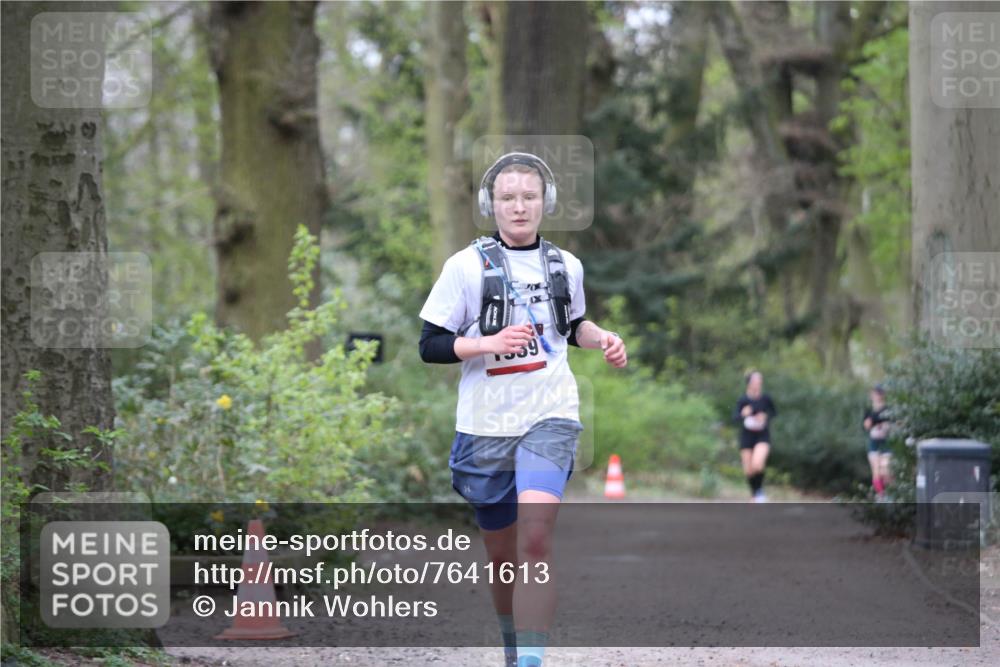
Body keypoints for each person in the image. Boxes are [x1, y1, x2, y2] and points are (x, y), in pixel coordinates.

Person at [419, 152, 627, 667]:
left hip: (550, 411)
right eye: (507, 197)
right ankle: (515, 651)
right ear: (491, 204)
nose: (518, 207)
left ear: (545, 203)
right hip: (485, 424)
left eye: (529, 197)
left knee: (536, 536)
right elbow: (430, 344)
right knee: (502, 557)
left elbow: (572, 326)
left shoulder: (566, 265)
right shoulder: (464, 267)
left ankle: (532, 663)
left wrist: (602, 338)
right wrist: (486, 343)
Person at [734, 370, 776, 502]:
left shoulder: (766, 398)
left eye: (760, 380)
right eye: (756, 380)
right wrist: (743, 414)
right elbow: (734, 417)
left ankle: (759, 492)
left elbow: (774, 413)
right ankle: (754, 495)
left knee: (757, 464)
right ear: (749, 383)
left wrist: (765, 416)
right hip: (746, 436)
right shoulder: (743, 400)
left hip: (762, 435)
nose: (758, 382)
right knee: (749, 470)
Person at [862, 385, 892, 498]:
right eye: (875, 393)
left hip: (886, 442)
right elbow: (866, 426)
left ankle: (889, 494)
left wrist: (882, 424)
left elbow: (892, 424)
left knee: (886, 470)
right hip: (874, 442)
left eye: (879, 393)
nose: (877, 396)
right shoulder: (869, 411)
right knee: (876, 470)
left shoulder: (888, 410)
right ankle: (880, 495)